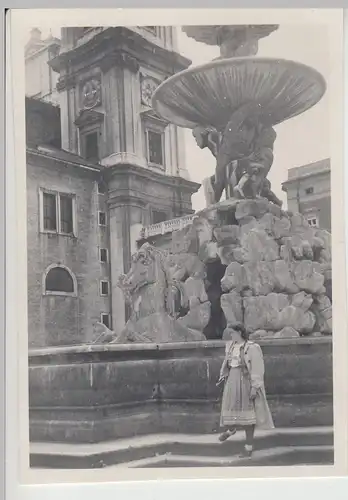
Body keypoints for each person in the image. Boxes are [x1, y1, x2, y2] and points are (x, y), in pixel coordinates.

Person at [216, 324, 274, 458]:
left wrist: (255, 387)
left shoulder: (252, 348)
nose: (231, 336)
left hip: (246, 382)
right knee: (229, 408)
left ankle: (248, 447)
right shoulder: (230, 346)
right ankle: (231, 429)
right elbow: (227, 364)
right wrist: (223, 374)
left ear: (240, 333)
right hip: (232, 380)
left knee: (248, 415)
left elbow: (258, 368)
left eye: (233, 333)